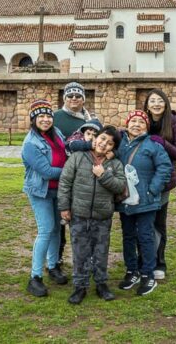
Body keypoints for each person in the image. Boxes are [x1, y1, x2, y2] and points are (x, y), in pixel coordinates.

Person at [58, 126, 126, 305]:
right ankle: (80, 286)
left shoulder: (115, 164)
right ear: (96, 138)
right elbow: (65, 182)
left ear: (113, 147)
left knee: (101, 251)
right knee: (80, 251)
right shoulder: (78, 157)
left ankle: (101, 284)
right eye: (103, 139)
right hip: (79, 214)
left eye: (110, 143)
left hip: (102, 215)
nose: (104, 144)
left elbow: (120, 186)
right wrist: (64, 206)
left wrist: (103, 175)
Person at [117, 110, 172, 296]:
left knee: (146, 236)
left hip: (146, 200)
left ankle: (148, 273)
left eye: (141, 122)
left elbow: (164, 167)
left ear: (146, 126)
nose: (136, 124)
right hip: (125, 200)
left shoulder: (152, 145)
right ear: (127, 124)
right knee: (128, 236)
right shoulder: (120, 144)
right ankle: (132, 270)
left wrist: (153, 189)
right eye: (133, 121)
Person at [22, 99, 69, 297]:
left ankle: (53, 266)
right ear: (33, 119)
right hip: (41, 191)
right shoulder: (30, 143)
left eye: (48, 115)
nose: (45, 119)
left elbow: (66, 150)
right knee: (46, 229)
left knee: (58, 228)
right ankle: (35, 277)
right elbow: (47, 171)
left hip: (59, 190)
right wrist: (71, 171)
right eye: (40, 116)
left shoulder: (56, 133)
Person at [143, 89, 176, 280]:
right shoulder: (142, 121)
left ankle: (159, 262)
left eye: (160, 101)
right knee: (143, 223)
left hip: (164, 181)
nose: (156, 104)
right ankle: (143, 260)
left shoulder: (174, 124)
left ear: (166, 103)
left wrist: (162, 142)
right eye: (152, 101)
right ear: (147, 104)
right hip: (143, 180)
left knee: (158, 223)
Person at [53, 82, 92, 266]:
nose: (74, 99)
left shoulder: (89, 119)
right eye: (70, 96)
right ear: (64, 98)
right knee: (60, 220)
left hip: (84, 176)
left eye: (78, 96)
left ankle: (85, 258)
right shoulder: (55, 118)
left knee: (82, 221)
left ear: (83, 99)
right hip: (62, 174)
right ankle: (57, 258)